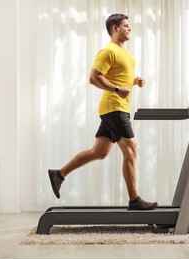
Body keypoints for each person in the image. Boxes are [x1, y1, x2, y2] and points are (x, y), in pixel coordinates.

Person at [48, 14, 157, 210]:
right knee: (131, 150)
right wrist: (116, 89)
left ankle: (59, 174)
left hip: (116, 108)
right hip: (114, 107)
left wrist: (134, 81)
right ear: (115, 29)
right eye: (125, 26)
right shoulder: (107, 51)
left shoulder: (126, 54)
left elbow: (119, 78)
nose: (129, 29)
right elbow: (93, 78)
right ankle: (135, 201)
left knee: (99, 152)